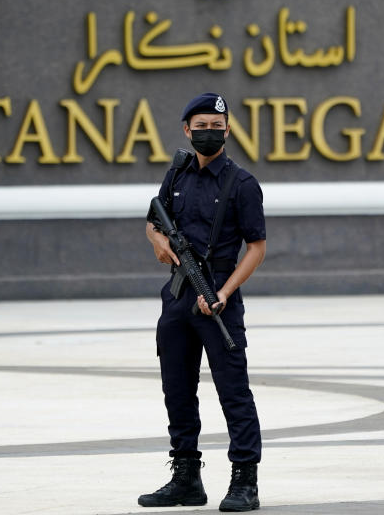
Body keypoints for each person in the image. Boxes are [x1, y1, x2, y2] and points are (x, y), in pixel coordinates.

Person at [139, 92, 266, 512]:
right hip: (177, 301)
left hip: (218, 300)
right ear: (186, 130)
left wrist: (225, 292)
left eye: (216, 127)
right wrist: (159, 243)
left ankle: (245, 480)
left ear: (228, 130)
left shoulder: (242, 184)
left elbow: (256, 247)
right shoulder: (176, 174)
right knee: (177, 390)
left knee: (234, 392)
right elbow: (152, 222)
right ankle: (186, 477)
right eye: (201, 126)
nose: (208, 133)